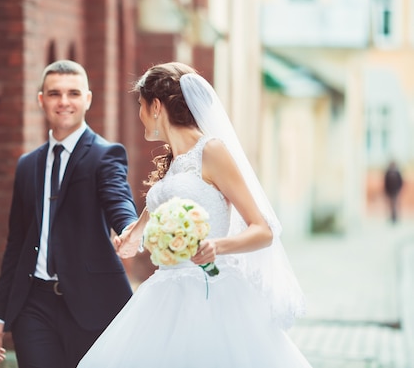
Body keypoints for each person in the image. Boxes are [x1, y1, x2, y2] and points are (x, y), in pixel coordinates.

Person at [77, 62, 312, 368]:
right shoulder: (173, 162)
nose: (139, 114)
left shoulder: (211, 151)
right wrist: (133, 235)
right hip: (165, 289)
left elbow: (263, 229)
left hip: (211, 292)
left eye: (141, 105)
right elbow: (159, 210)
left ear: (157, 107)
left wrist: (218, 246)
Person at [0, 60, 139, 368]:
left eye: (73, 93)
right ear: (41, 99)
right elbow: (15, 244)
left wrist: (129, 227)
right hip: (33, 305)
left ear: (88, 99)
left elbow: (118, 199)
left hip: (92, 302)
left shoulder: (105, 155)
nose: (64, 102)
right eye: (55, 94)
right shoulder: (27, 165)